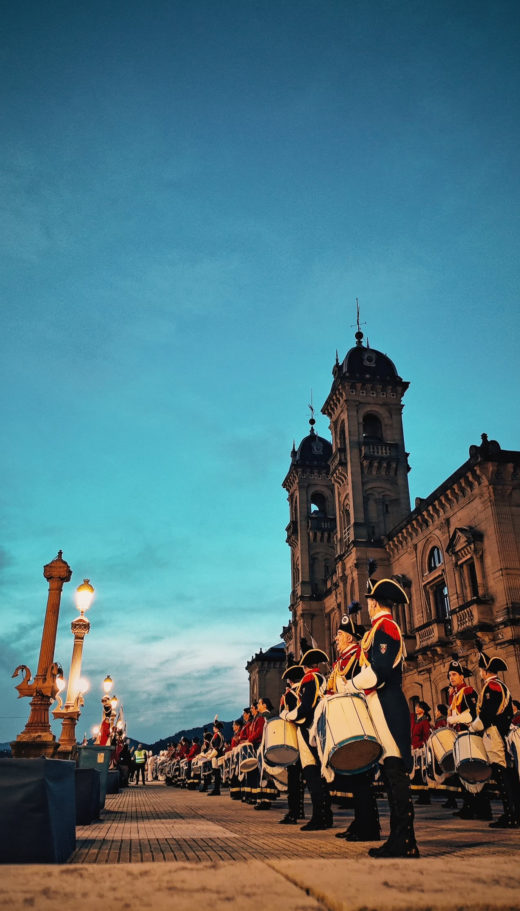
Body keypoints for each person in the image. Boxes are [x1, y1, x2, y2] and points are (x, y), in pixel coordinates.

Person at [345, 576, 419, 858]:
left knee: (395, 773)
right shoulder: (378, 629)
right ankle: (400, 839)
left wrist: (349, 685)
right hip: (380, 705)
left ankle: (404, 841)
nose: (368, 606)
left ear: (374, 603)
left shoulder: (386, 627)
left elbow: (380, 672)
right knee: (390, 774)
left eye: (369, 602)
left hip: (388, 705)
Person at [326, 612, 380, 841]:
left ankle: (369, 827)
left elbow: (367, 683)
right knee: (356, 779)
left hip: (360, 720)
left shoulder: (359, 655)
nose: (335, 639)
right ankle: (360, 822)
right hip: (347, 722)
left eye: (339, 634)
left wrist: (347, 686)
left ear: (349, 637)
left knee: (363, 778)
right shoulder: (340, 662)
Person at [281, 648, 333, 831]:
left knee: (314, 775)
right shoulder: (320, 678)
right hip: (313, 728)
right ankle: (324, 815)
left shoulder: (311, 679)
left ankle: (321, 816)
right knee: (315, 775)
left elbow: (306, 706)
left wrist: (288, 715)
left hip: (309, 729)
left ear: (304, 667)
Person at [470, 651, 519, 828]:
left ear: (485, 670)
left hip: (495, 733)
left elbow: (488, 712)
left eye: (481, 669)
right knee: (506, 774)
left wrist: (475, 725)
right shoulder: (496, 685)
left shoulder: (493, 687)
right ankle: (513, 813)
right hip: (497, 732)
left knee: (502, 773)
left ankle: (511, 815)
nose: (480, 672)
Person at [446, 657, 491, 821]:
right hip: (460, 736)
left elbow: (473, 713)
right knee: (463, 773)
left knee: (475, 771)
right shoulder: (455, 694)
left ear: (461, 676)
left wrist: (456, 719)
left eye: (454, 675)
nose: (451, 678)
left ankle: (483, 809)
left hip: (470, 734)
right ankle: (469, 806)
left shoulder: (468, 691)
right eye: (450, 675)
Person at [278, 665, 306, 825]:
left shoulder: (288, 696)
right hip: (309, 737)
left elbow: (285, 717)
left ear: (289, 680)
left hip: (294, 740)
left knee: (294, 780)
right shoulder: (304, 691)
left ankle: (294, 813)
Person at [411, 701, 431, 805]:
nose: (416, 709)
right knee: (417, 773)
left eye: (418, 707)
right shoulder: (414, 719)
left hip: (421, 749)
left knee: (422, 773)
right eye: (416, 707)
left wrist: (419, 745)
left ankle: (425, 796)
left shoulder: (424, 722)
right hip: (413, 748)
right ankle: (420, 795)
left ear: (423, 710)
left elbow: (426, 737)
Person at [207, 719, 226, 796]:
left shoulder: (216, 735)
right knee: (216, 773)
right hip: (218, 754)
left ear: (216, 728)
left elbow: (216, 747)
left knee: (216, 773)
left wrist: (210, 756)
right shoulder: (220, 734)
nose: (213, 728)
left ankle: (216, 790)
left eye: (214, 727)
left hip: (216, 755)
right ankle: (216, 789)